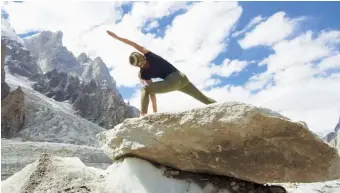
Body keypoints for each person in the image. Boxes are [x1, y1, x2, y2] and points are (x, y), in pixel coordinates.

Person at [106, 30, 216, 116]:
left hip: (173, 81)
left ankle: (143, 115)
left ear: (137, 65)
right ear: (141, 56)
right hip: (183, 78)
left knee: (145, 89)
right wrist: (118, 38)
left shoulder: (144, 73)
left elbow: (150, 92)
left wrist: (154, 112)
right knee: (204, 99)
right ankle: (220, 106)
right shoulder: (148, 54)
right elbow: (133, 44)